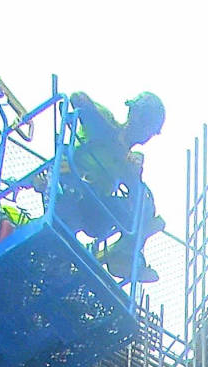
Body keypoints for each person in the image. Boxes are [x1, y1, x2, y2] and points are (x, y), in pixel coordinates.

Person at [57, 89, 166, 284]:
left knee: (146, 207)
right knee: (60, 243)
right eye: (145, 122)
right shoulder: (107, 121)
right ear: (133, 114)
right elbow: (77, 98)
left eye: (150, 129)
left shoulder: (128, 161)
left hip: (95, 208)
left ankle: (120, 254)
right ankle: (107, 254)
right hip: (73, 186)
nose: (145, 132)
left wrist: (134, 178)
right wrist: (110, 136)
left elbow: (136, 202)